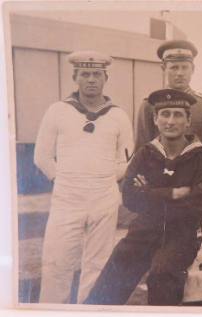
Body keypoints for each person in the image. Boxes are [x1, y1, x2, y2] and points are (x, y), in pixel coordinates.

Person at [84, 89, 202, 305]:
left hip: (182, 233)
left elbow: (198, 206)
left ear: (188, 120)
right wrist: (172, 193)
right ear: (155, 119)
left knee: (162, 273)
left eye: (177, 115)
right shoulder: (146, 154)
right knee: (119, 261)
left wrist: (149, 192)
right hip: (145, 229)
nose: (170, 121)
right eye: (165, 114)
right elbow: (129, 197)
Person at [34, 51, 134, 303]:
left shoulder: (118, 115)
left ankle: (89, 308)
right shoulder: (57, 111)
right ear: (75, 77)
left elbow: (127, 160)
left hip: (104, 197)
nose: (91, 79)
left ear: (105, 78)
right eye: (85, 74)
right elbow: (42, 157)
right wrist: (65, 180)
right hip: (67, 197)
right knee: (57, 260)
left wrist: (102, 179)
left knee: (97, 263)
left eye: (97, 74)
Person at [135, 40, 202, 203]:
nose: (180, 73)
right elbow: (141, 151)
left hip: (195, 190)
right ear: (163, 69)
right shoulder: (148, 105)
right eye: (174, 67)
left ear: (193, 69)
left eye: (184, 67)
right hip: (158, 190)